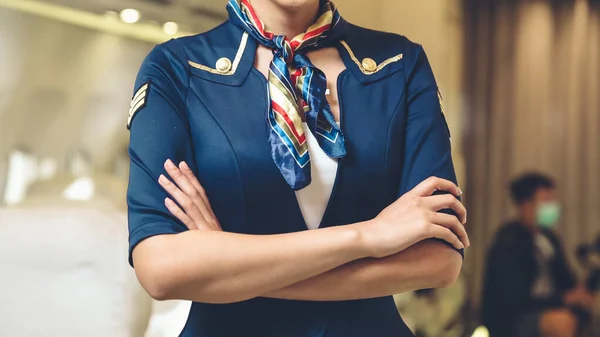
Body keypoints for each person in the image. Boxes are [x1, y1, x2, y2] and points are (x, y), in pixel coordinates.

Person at [126, 0, 469, 336]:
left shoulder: (398, 65)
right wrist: (367, 236)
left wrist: (228, 271)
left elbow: (439, 259)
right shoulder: (176, 67)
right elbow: (160, 268)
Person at [481, 173, 595, 337]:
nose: (552, 207)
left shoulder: (549, 238)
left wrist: (580, 293)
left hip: (550, 307)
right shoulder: (508, 242)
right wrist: (563, 299)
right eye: (546, 201)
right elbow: (513, 299)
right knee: (562, 322)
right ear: (526, 205)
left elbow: (566, 279)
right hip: (515, 318)